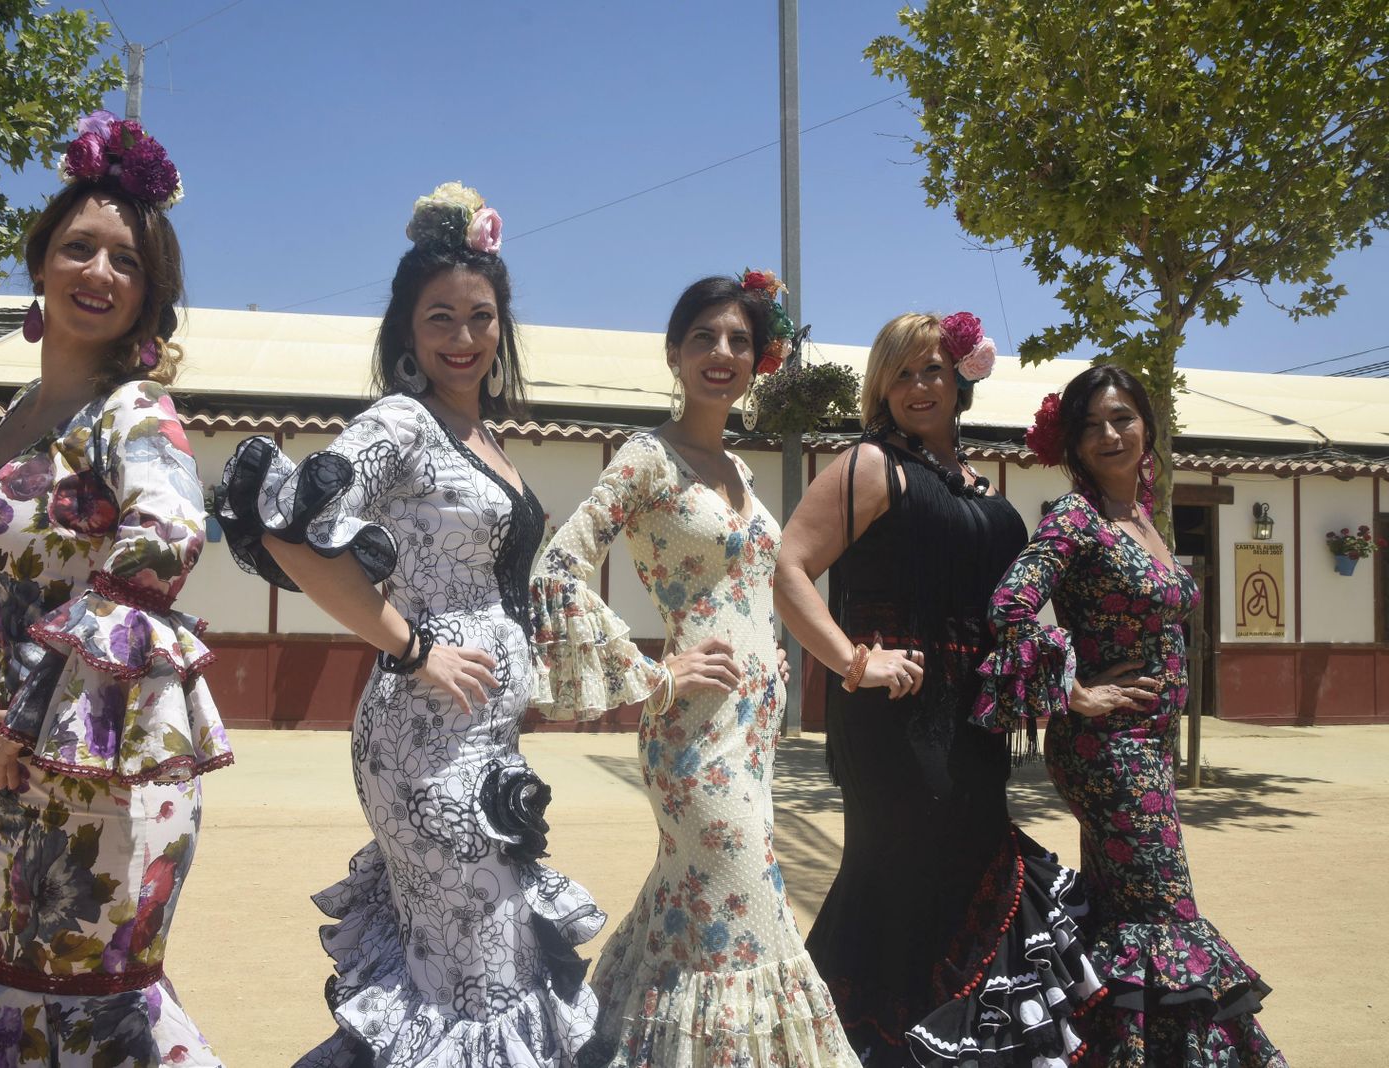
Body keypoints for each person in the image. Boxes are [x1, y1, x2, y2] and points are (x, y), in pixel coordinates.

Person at [0, 111, 231, 1067]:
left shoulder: (132, 410)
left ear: (150, 299)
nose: (99, 272)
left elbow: (170, 536)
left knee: (72, 1004)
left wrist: (32, 705)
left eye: (126, 262)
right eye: (79, 248)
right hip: (12, 782)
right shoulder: (17, 415)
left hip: (100, 779)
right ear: (41, 265)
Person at [214, 182, 603, 1067]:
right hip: (424, 748)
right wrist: (412, 645)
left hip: (487, 749)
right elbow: (285, 525)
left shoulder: (483, 438)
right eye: (440, 318)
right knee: (479, 980)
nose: (463, 339)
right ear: (405, 333)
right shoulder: (402, 422)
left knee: (468, 966)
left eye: (480, 316)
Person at [530, 272, 860, 1067]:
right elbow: (557, 566)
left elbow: (764, 589)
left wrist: (808, 658)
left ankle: (619, 1041)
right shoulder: (648, 458)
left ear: (759, 361)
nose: (722, 353)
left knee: (692, 909)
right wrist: (652, 671)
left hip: (751, 737)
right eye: (704, 338)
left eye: (739, 341)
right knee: (742, 906)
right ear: (675, 354)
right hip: (690, 737)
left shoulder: (740, 474)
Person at [774, 312, 1101, 1067]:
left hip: (973, 726)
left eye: (933, 371)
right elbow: (789, 569)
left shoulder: (982, 485)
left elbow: (1013, 620)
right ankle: (868, 1045)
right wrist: (854, 661)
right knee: (901, 882)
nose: (919, 387)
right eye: (901, 374)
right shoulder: (868, 466)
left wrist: (1072, 689)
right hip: (895, 726)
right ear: (880, 388)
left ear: (961, 379)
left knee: (959, 878)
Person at [978, 366, 1287, 1066]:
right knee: (1163, 917)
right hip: (1110, 751)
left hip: (1147, 749)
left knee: (1126, 917)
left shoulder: (1143, 516)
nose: (1109, 434)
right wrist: (1073, 690)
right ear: (1074, 445)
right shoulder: (1076, 516)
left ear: (1148, 426)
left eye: (1122, 418)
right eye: (1091, 426)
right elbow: (1009, 608)